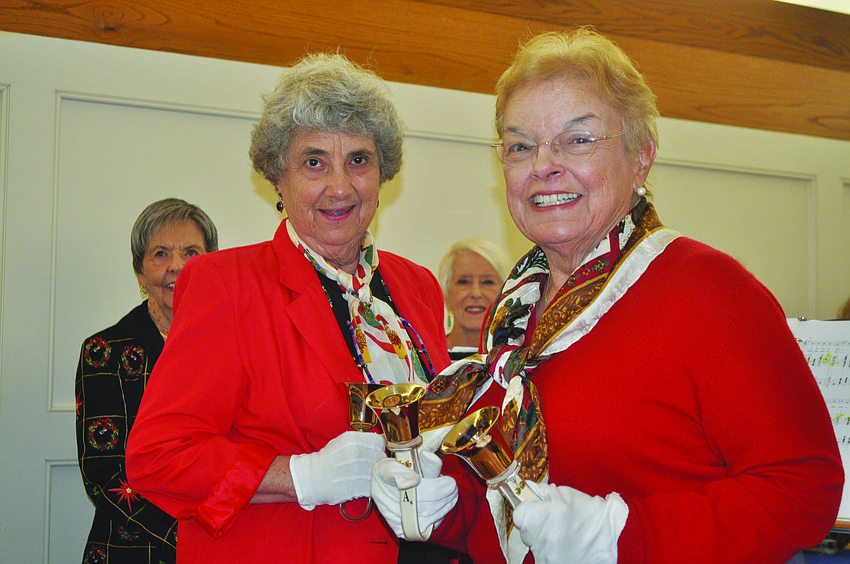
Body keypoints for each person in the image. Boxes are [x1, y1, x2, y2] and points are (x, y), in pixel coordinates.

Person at [371, 27, 843, 564]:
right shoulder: (516, 306)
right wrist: (444, 506)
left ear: (642, 157)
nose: (543, 164)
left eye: (577, 139)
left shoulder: (710, 291)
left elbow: (803, 489)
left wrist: (622, 535)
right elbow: (516, 508)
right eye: (520, 145)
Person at [125, 53, 476, 564]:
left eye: (359, 159)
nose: (340, 186)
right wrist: (299, 476)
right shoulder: (226, 284)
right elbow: (158, 458)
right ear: (278, 179)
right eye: (314, 162)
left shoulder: (415, 285)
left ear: (383, 173)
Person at [76, 198, 218, 564]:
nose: (177, 266)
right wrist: (188, 535)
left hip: (221, 539)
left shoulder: (234, 346)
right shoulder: (104, 351)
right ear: (140, 273)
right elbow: (103, 471)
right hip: (131, 548)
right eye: (160, 254)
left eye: (191, 252)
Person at [439, 238, 510, 360]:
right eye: (463, 282)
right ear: (446, 295)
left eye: (487, 282)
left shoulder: (520, 361)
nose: (476, 293)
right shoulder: (425, 360)